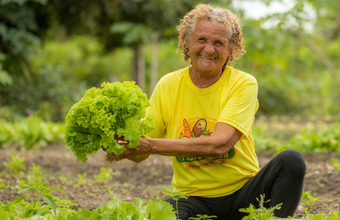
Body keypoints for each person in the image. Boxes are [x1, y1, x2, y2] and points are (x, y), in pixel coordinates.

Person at [116, 4, 306, 220]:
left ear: (231, 48)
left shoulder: (243, 84)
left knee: (292, 160)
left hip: (245, 193)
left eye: (219, 43)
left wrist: (150, 145)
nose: (209, 49)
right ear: (187, 42)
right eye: (202, 40)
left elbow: (220, 144)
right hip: (193, 198)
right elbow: (143, 151)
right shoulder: (168, 85)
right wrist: (122, 147)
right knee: (158, 215)